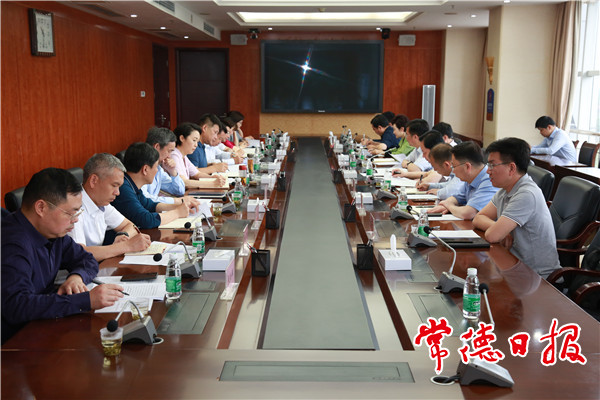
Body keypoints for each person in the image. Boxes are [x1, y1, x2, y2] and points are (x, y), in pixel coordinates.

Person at [2, 168, 124, 343]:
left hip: (44, 324)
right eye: (70, 213)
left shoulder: (53, 233)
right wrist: (85, 300)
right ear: (41, 207)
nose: (75, 219)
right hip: (15, 343)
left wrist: (77, 277)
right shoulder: (12, 244)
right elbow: (17, 306)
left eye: (78, 212)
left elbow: (86, 259)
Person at [473, 137, 561, 278]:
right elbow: (478, 218)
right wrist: (499, 229)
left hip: (537, 277)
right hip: (514, 265)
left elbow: (492, 235)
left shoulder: (526, 194)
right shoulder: (505, 189)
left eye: (492, 165)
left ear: (511, 168)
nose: (488, 171)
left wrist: (498, 230)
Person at [68, 153, 152, 261]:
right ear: (94, 180)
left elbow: (130, 226)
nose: (117, 193)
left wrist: (123, 235)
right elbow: (79, 253)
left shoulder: (102, 203)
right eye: (114, 185)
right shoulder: (73, 208)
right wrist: (124, 246)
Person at [112, 142, 191, 229]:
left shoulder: (131, 184)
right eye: (156, 167)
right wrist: (177, 213)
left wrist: (178, 207)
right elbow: (145, 220)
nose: (157, 171)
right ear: (145, 169)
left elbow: (150, 205)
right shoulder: (123, 188)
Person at [427, 141, 499, 220]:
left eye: (454, 166)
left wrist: (449, 206)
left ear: (467, 167)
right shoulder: (470, 178)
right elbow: (456, 197)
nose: (453, 171)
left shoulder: (489, 180)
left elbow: (468, 213)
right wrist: (447, 204)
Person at [142, 126, 196, 204]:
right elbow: (145, 199)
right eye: (169, 151)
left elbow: (180, 191)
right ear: (157, 147)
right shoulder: (142, 166)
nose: (169, 156)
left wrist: (173, 172)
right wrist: (177, 201)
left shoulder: (158, 168)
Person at [170, 122, 227, 188]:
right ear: (182, 138)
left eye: (197, 142)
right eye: (194, 140)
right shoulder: (174, 155)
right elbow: (183, 182)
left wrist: (212, 177)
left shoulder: (183, 156)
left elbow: (197, 174)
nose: (196, 145)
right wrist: (211, 183)